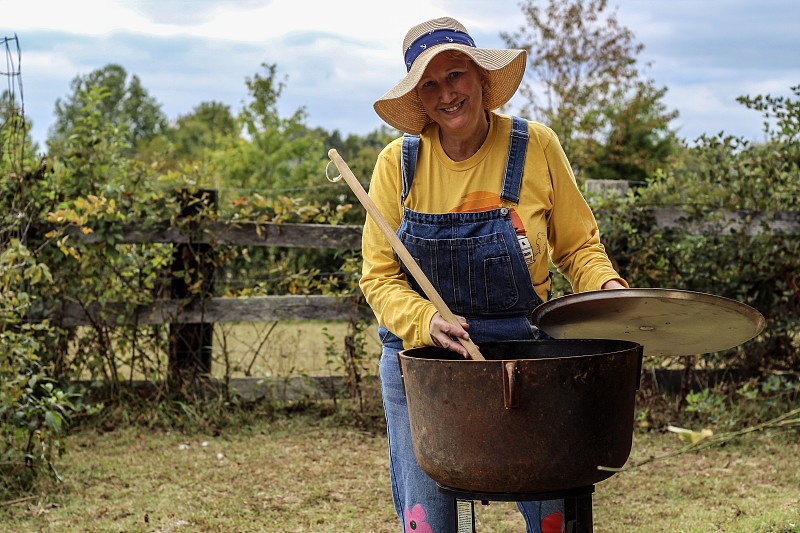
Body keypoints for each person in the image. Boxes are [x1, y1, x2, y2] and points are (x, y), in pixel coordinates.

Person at [359, 16, 628, 533]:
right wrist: (424, 322)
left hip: (525, 352)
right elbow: (379, 278)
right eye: (430, 84)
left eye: (456, 74)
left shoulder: (536, 147)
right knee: (430, 522)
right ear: (419, 99)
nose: (447, 93)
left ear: (482, 79)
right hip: (425, 359)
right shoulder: (399, 165)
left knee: (555, 516)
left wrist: (610, 290)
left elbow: (578, 248)